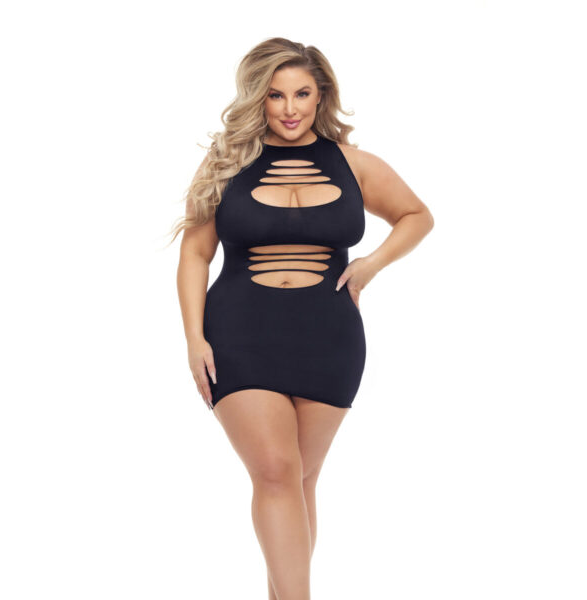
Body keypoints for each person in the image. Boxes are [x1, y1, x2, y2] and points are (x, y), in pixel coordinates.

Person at [170, 37, 434, 600]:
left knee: (298, 479)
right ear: (258, 99)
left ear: (321, 96)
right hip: (239, 334)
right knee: (275, 471)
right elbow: (195, 253)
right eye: (275, 95)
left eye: (302, 94)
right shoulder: (227, 161)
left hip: (329, 338)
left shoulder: (354, 165)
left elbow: (417, 215)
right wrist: (193, 338)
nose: (289, 108)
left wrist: (371, 265)